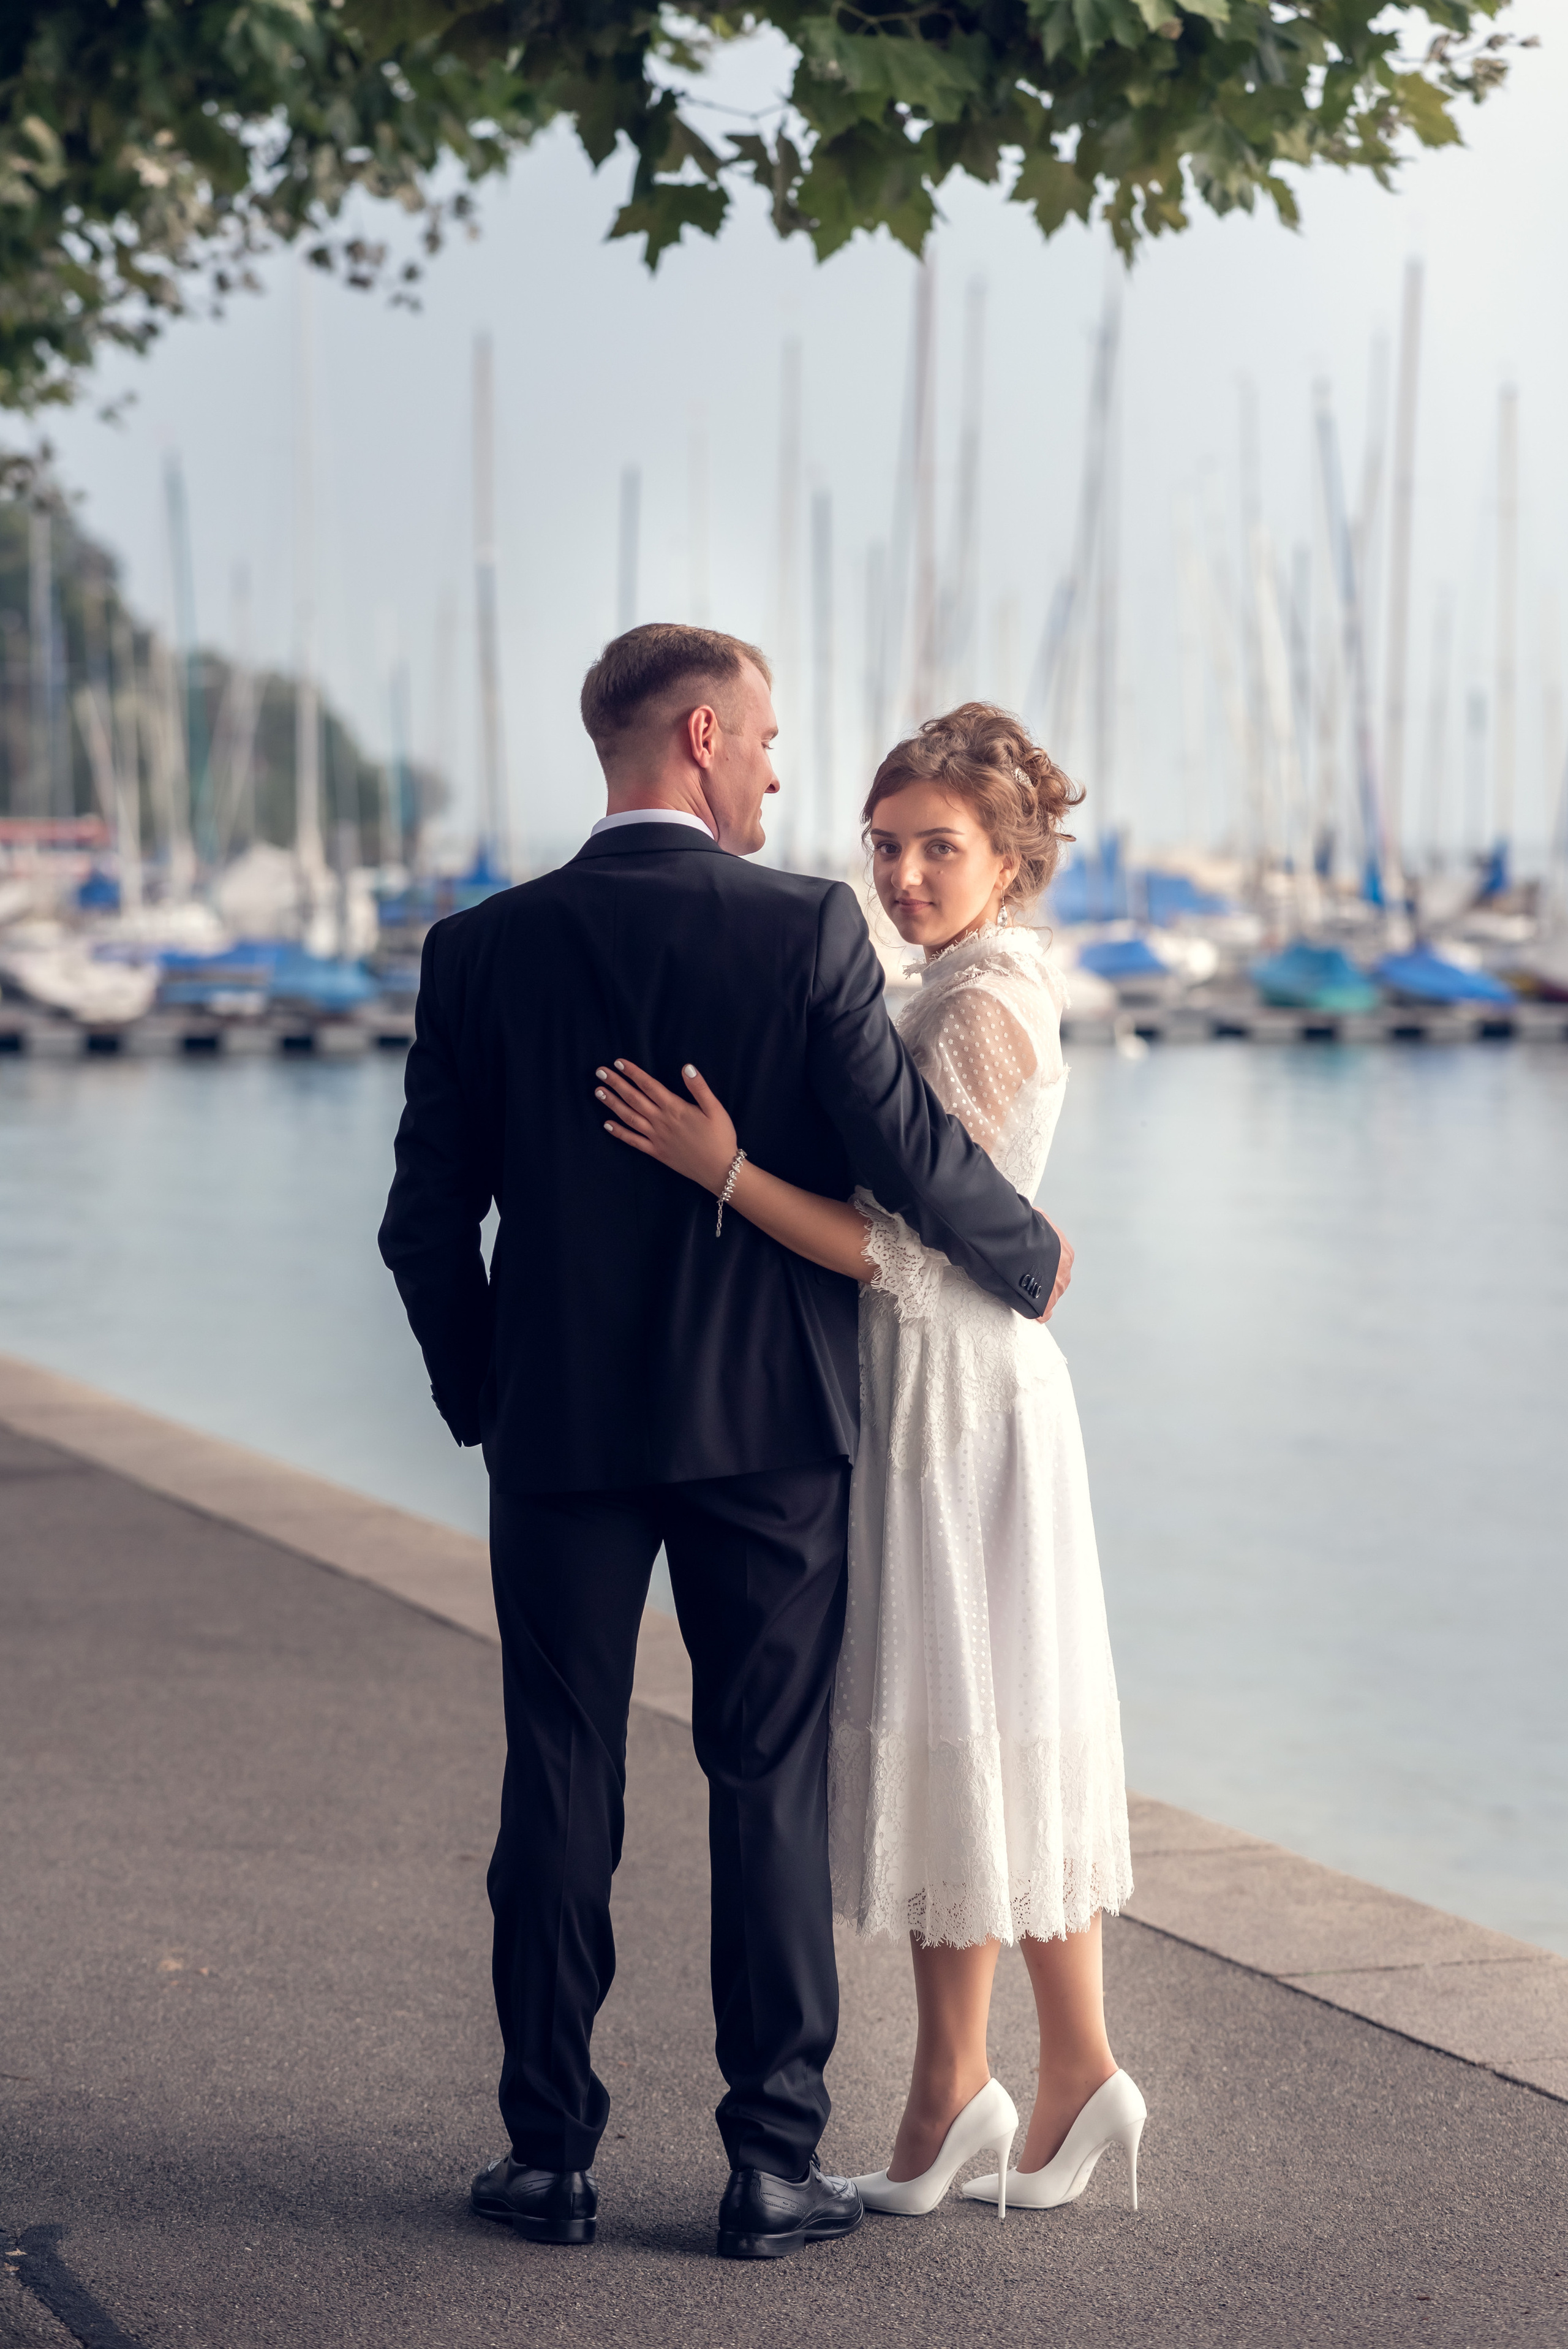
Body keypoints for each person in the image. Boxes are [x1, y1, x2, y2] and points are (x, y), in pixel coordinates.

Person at [378, 629, 1070, 2260]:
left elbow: (423, 1226)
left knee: (560, 1772)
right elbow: (905, 1155)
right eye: (764, 740)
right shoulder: (803, 931)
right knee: (763, 1784)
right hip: (769, 1426)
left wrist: (492, 1392)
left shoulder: (480, 948)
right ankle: (770, 2165)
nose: (777, 770)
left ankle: (547, 2154)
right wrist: (1028, 1257)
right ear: (702, 736)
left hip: (561, 1432)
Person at [595, 701, 1144, 2226]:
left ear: (1007, 859)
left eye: (938, 849)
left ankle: (1005, 2081)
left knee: (963, 1729)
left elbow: (903, 1258)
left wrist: (726, 1175)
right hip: (933, 1390)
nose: (902, 874)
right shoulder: (947, 979)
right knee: (972, 1730)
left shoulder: (981, 1005)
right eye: (886, 845)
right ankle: (1000, 2082)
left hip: (949, 1397)